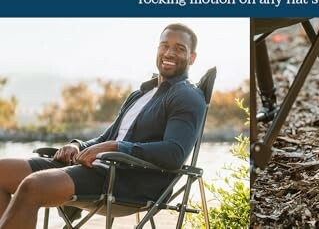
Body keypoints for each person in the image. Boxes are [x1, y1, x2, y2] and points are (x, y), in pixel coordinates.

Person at [0, 23, 205, 229]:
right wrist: (78, 146)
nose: (169, 52)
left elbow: (174, 153)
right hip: (97, 168)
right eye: (164, 45)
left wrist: (114, 147)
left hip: (128, 180)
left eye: (179, 48)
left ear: (192, 58)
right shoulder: (140, 94)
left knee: (33, 186)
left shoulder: (186, 95)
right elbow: (105, 139)